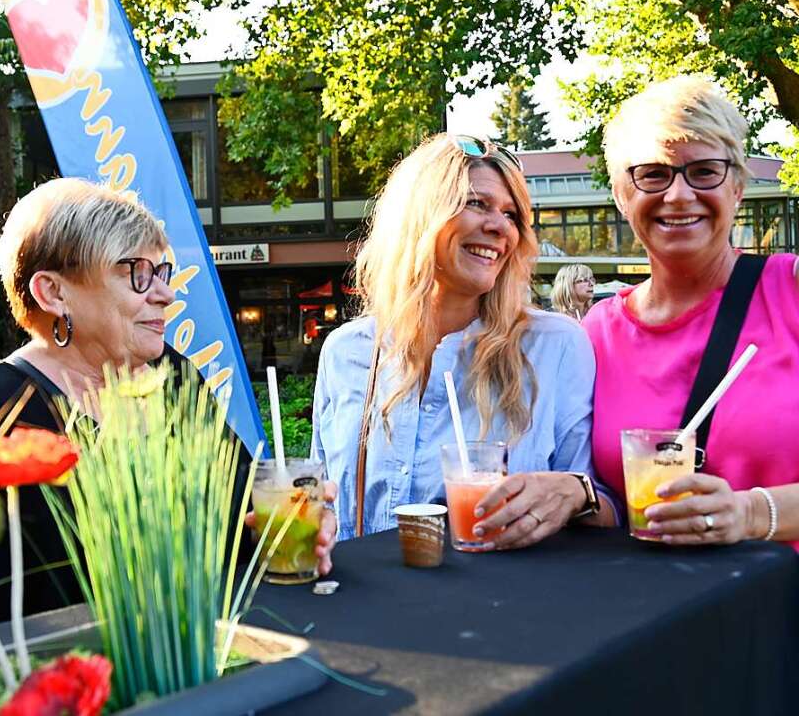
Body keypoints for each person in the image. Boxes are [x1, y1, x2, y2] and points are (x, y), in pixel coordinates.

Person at [0, 178, 337, 634]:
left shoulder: (175, 378)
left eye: (161, 273)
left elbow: (241, 519)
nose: (165, 294)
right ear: (52, 293)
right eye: (135, 272)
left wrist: (290, 522)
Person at [311, 134, 617, 548]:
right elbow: (322, 497)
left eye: (512, 215)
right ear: (419, 216)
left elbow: (595, 504)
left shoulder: (555, 346)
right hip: (363, 605)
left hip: (500, 606)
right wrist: (311, 518)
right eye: (476, 203)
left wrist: (576, 493)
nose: (499, 227)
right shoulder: (345, 351)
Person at [583, 75, 799, 547]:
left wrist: (750, 512)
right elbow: (608, 501)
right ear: (622, 196)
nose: (678, 196)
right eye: (653, 174)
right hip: (669, 610)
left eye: (704, 172)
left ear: (737, 188)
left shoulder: (791, 290)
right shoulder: (595, 335)